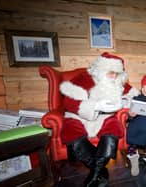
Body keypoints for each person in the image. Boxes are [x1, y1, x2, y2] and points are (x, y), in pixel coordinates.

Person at [59, 52, 139, 187]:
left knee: (114, 128)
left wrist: (127, 102)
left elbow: (135, 96)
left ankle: (95, 174)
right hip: (79, 117)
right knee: (71, 132)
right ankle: (100, 170)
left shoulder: (118, 82)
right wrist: (95, 106)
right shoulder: (85, 78)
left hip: (105, 117)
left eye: (117, 73)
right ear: (101, 69)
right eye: (110, 72)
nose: (114, 76)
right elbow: (68, 102)